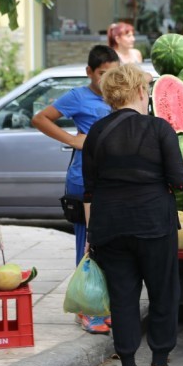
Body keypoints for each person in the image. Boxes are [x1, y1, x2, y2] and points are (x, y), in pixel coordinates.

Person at [82, 64, 183, 366]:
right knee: (163, 294)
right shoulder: (159, 129)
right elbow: (179, 178)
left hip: (109, 227)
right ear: (140, 91)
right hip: (154, 224)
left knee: (123, 300)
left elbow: (89, 191)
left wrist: (90, 236)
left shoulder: (96, 133)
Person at [32, 45, 120, 334]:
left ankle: (100, 304)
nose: (108, 80)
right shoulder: (78, 97)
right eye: (102, 74)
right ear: (89, 73)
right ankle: (86, 309)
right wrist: (73, 140)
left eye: (114, 73)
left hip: (113, 181)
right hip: (83, 181)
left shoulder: (119, 94)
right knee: (87, 244)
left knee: (109, 244)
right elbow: (40, 118)